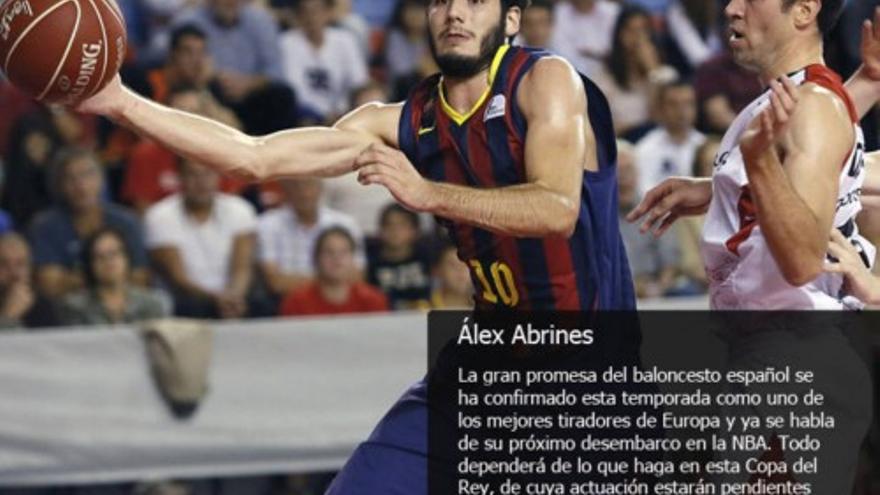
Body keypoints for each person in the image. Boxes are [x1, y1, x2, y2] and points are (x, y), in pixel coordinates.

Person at [77, 0, 636, 491]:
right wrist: (119, 102)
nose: (455, 12)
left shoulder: (545, 80)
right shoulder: (402, 121)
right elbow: (254, 156)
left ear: (512, 19)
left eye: (475, 0)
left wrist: (427, 194)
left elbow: (556, 209)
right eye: (441, 0)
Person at [29, 148, 150, 300]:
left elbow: (140, 279)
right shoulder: (45, 226)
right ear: (58, 185)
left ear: (102, 179)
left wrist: (75, 279)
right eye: (70, 178)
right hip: (67, 312)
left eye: (88, 174)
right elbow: (50, 285)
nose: (81, 185)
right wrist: (109, 275)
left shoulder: (127, 221)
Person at [144, 159, 257, 319]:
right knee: (192, 307)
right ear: (180, 177)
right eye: (193, 174)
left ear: (219, 176)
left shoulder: (241, 210)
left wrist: (234, 297)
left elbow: (242, 268)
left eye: (208, 174)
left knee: (259, 304)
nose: (201, 182)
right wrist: (217, 299)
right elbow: (179, 279)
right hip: (187, 301)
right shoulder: (159, 216)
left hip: (232, 297)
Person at [257, 178, 364, 298]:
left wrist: (295, 280)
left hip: (339, 299)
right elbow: (276, 283)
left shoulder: (346, 223)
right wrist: (332, 279)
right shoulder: (267, 224)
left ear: (321, 188)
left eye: (309, 185)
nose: (303, 192)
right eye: (295, 186)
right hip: (285, 301)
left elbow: (357, 277)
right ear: (285, 189)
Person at [60, 228, 168, 325]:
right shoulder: (75, 307)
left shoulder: (152, 304)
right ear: (90, 264)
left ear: (127, 258)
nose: (108, 261)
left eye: (114, 253)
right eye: (99, 256)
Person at [279, 226, 388, 316]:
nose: (336, 258)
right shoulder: (296, 302)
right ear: (316, 258)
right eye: (328, 252)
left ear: (353, 258)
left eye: (343, 252)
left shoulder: (373, 300)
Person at [634, 79, 705, 196]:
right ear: (661, 109)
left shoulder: (705, 145)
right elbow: (642, 191)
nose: (681, 111)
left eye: (688, 103)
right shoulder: (645, 148)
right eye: (673, 104)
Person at [366, 203, 432, 309]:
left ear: (415, 231)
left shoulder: (427, 258)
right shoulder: (371, 263)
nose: (395, 231)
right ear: (380, 230)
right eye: (389, 225)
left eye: (402, 225)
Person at [0, 232, 61, 330]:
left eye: (20, 264)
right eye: (3, 264)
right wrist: (8, 316)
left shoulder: (44, 305)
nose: (13, 272)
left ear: (30, 268)